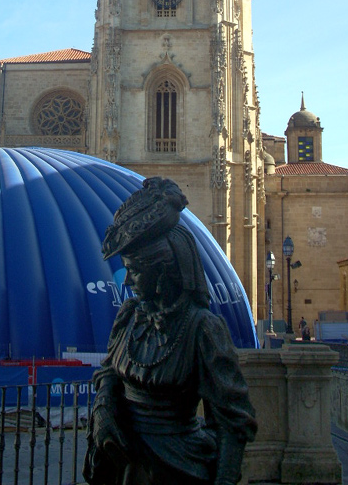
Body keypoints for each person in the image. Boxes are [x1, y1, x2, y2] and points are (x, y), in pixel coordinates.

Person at [83, 177, 257, 485]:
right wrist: (105, 405)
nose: (127, 282)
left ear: (163, 271)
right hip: (126, 464)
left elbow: (233, 421)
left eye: (135, 271)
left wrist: (226, 480)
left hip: (178, 465)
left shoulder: (202, 328)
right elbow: (109, 371)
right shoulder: (130, 316)